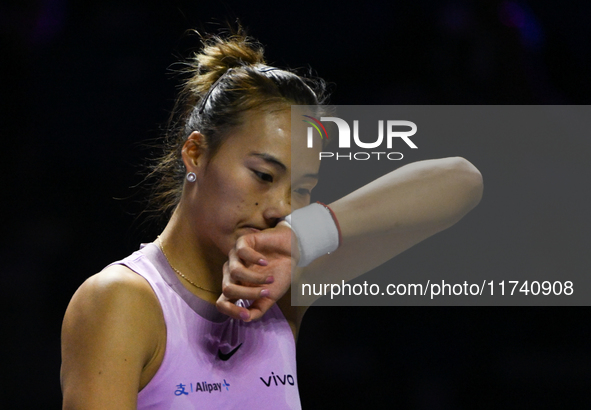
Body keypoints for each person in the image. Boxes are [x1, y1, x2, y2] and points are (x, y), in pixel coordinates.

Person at [61, 29, 483, 409]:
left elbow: (462, 182)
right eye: (263, 175)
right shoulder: (121, 301)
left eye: (302, 189)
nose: (282, 207)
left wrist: (310, 233)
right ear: (195, 154)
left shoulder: (282, 284)